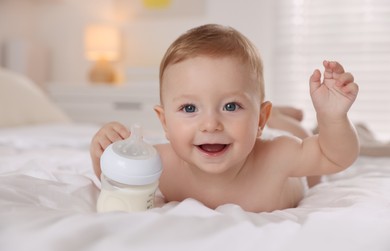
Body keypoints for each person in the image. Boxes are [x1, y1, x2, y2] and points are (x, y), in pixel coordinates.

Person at [90, 24, 359, 213]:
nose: (210, 125)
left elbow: (334, 156)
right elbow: (117, 179)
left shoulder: (278, 156)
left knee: (303, 142)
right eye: (189, 108)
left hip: (297, 173)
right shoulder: (162, 162)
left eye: (231, 106)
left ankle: (279, 118)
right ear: (164, 123)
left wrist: (332, 118)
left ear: (259, 119)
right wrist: (103, 149)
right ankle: (269, 113)